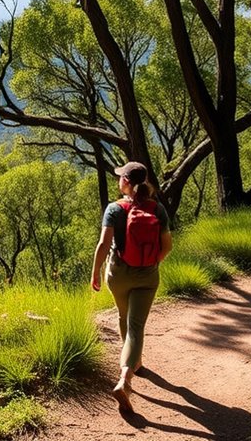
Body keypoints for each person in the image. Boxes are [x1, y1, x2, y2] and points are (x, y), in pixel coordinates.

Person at [90, 161, 172, 413]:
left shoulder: (114, 208)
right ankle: (130, 370)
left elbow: (104, 245)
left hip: (118, 274)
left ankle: (128, 371)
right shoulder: (157, 208)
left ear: (125, 181)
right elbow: (167, 246)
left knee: (124, 317)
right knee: (136, 326)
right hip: (147, 275)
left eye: (120, 177)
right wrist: (151, 264)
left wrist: (94, 272)